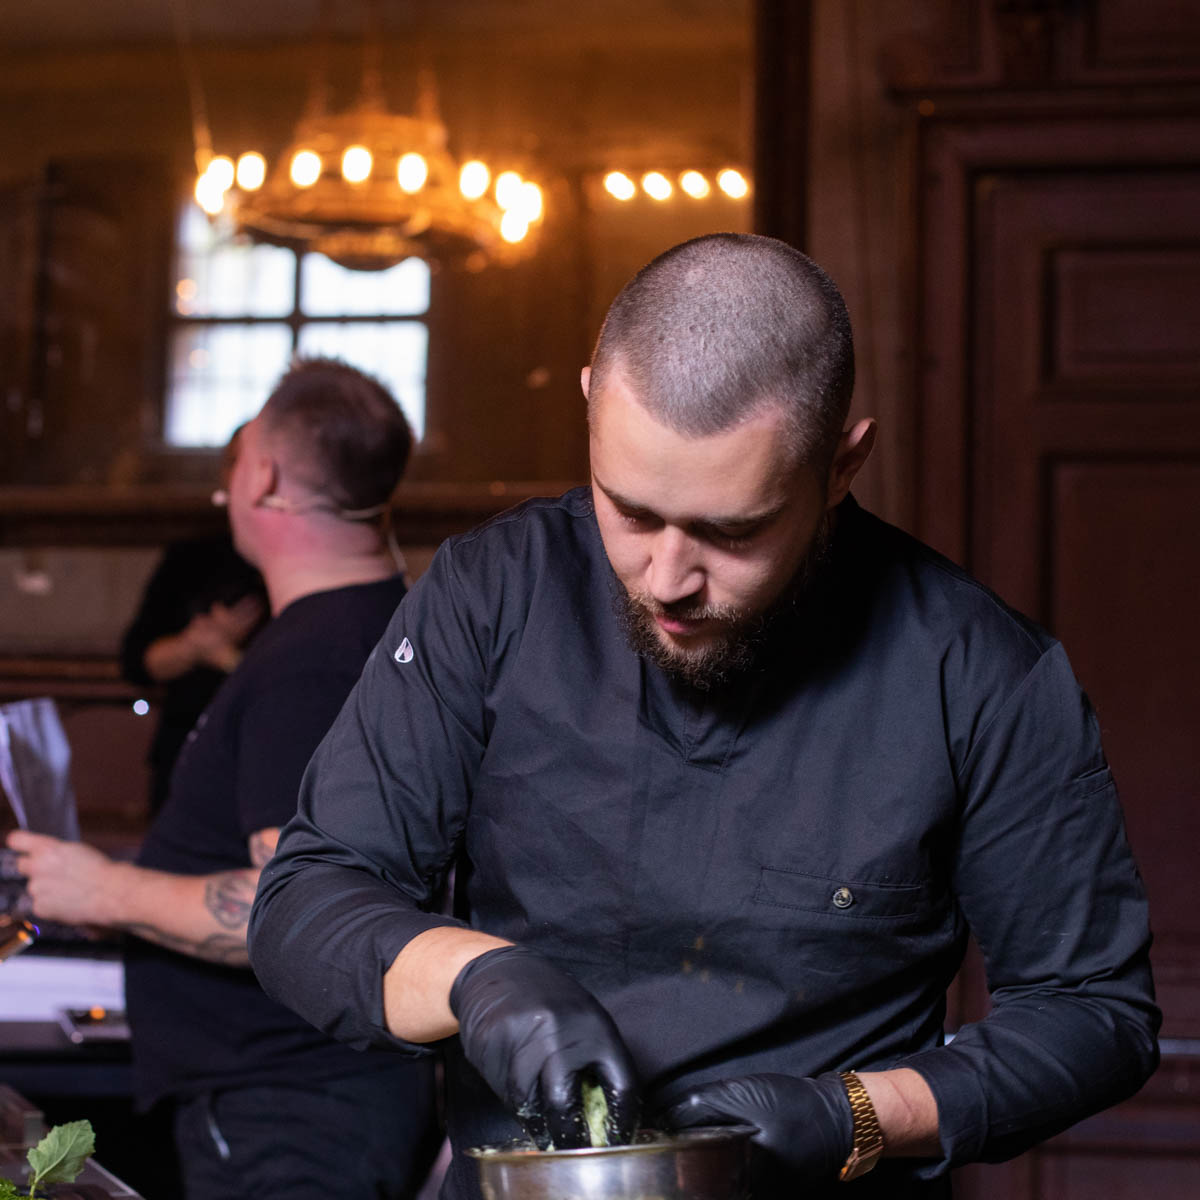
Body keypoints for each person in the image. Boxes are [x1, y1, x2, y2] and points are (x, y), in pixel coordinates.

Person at [248, 236, 1160, 1199]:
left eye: (732, 532)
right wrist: (478, 980)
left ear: (842, 465)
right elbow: (308, 900)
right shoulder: (494, 594)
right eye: (631, 512)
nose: (668, 579)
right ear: (593, 405)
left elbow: (1094, 1013)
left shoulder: (981, 673)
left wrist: (857, 1113)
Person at [8, 358, 440, 1200]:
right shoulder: (378, 618)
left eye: (235, 463)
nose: (221, 489)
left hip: (291, 1108)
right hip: (318, 1098)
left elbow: (303, 912)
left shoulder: (313, 661)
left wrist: (109, 891)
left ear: (266, 477)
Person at [120, 426, 267, 815]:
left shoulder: (296, 561)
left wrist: (228, 657)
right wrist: (193, 647)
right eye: (234, 462)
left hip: (264, 756)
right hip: (185, 752)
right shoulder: (190, 556)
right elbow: (136, 661)